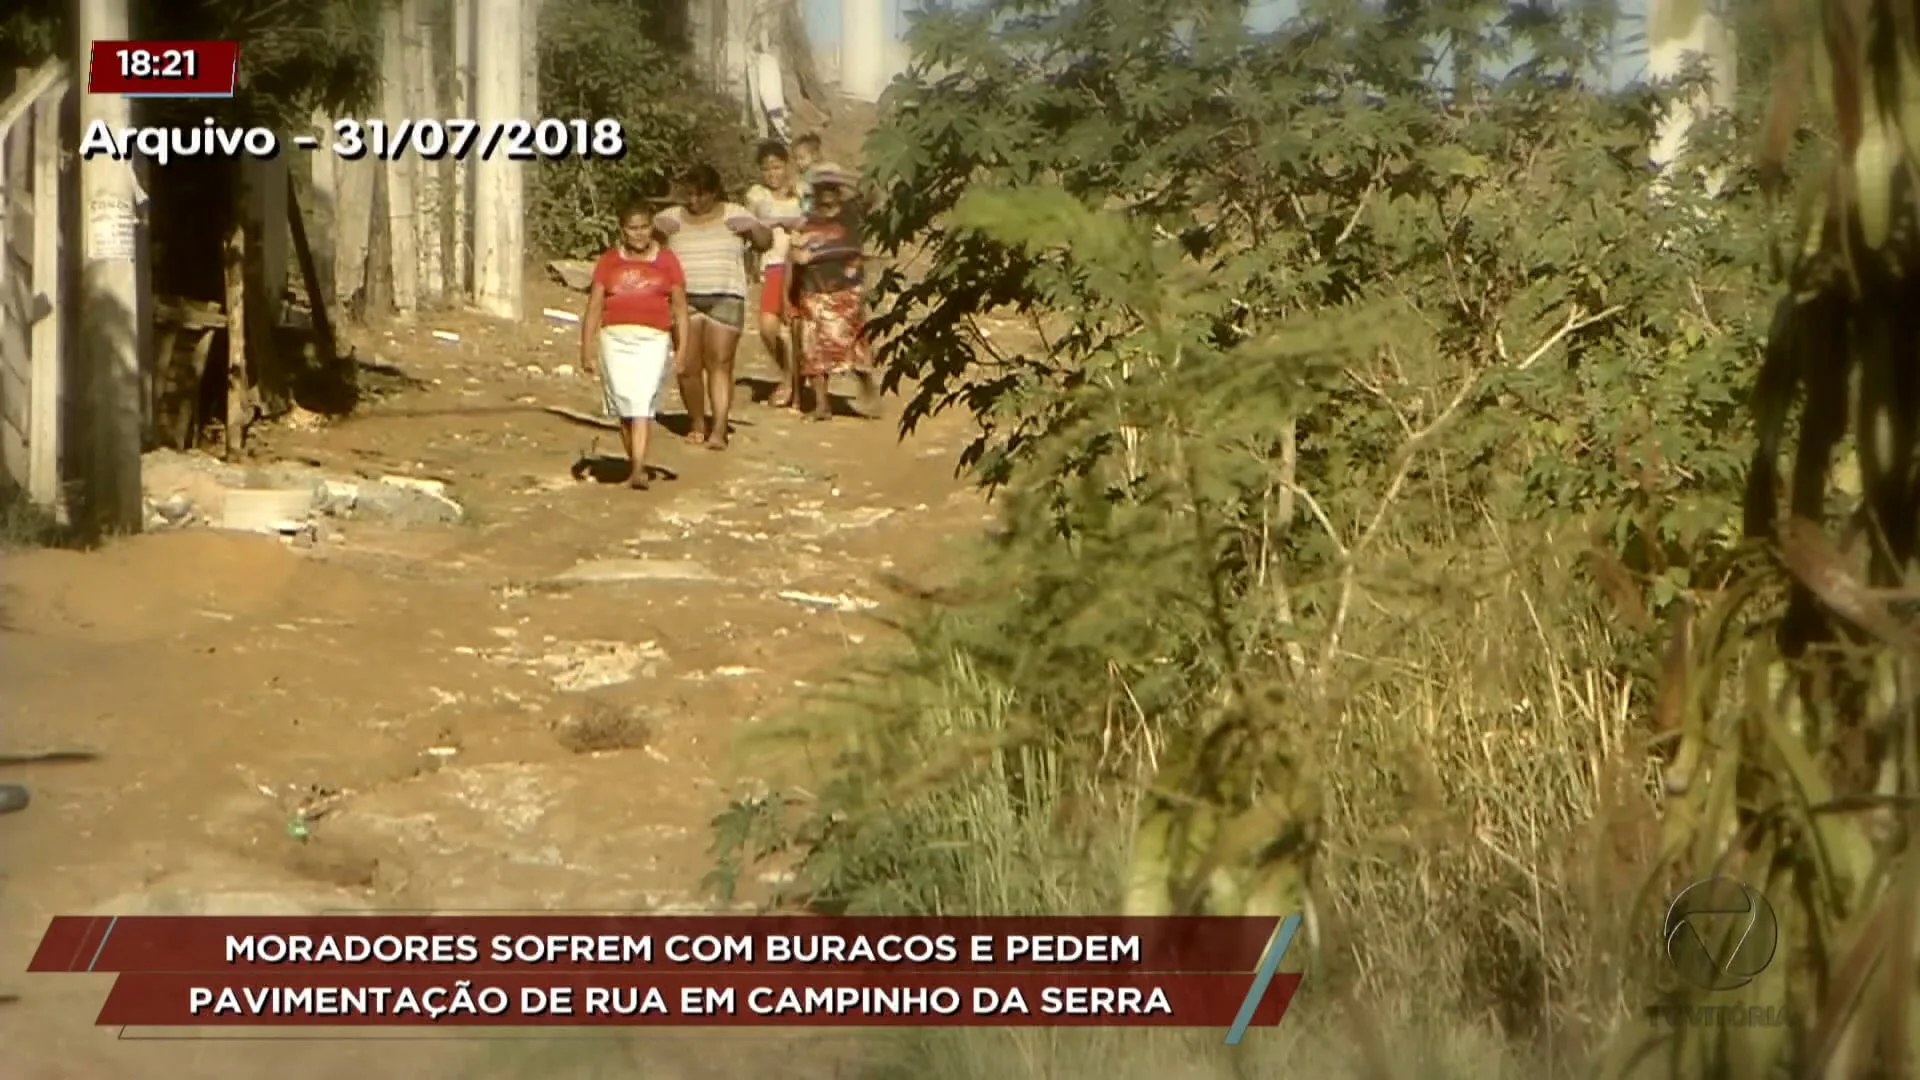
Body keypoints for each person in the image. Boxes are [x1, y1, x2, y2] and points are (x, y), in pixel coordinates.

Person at [656, 165, 773, 449]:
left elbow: (764, 243)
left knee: (720, 364)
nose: (693, 201)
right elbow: (644, 244)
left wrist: (755, 227)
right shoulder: (670, 217)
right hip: (684, 300)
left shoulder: (735, 214)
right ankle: (697, 420)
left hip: (726, 296)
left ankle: (719, 427)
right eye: (689, 195)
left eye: (700, 195)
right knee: (687, 367)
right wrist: (656, 230)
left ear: (713, 193)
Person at [580, 199, 690, 489]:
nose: (639, 234)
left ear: (652, 228)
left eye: (644, 227)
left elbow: (680, 309)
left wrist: (682, 351)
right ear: (623, 231)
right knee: (623, 406)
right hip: (615, 338)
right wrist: (586, 349)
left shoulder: (667, 261)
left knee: (641, 403)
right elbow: (594, 306)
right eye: (633, 228)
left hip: (653, 339)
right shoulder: (608, 261)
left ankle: (638, 469)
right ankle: (635, 462)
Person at [788, 165, 879, 421]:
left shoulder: (853, 213)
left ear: (839, 191)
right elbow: (793, 255)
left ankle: (865, 379)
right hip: (813, 290)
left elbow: (873, 191)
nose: (827, 193)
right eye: (821, 188)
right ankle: (822, 405)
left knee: (851, 346)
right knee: (813, 348)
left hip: (847, 292)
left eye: (831, 188)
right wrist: (797, 263)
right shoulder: (806, 222)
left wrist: (846, 178)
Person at [744, 141, 807, 409]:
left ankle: (793, 382)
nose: (772, 174)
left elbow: (818, 219)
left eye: (777, 167)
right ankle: (789, 373)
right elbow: (748, 227)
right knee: (768, 328)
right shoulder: (757, 195)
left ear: (787, 166)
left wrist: (793, 221)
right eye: (766, 169)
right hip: (772, 265)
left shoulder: (802, 191)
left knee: (798, 328)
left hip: (801, 264)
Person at [791, 133, 822, 215]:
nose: (798, 162)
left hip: (814, 206)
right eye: (796, 158)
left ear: (814, 156)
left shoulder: (816, 171)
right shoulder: (803, 173)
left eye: (801, 158)